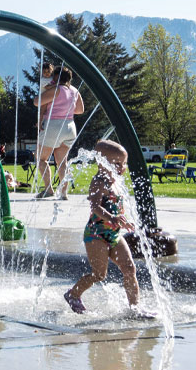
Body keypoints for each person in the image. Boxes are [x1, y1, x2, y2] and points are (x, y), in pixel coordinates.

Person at [64, 140, 153, 318]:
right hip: (96, 235)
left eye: (124, 163)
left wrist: (124, 221)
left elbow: (116, 208)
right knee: (99, 274)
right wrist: (113, 218)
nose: (122, 167)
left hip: (114, 234)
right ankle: (73, 294)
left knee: (129, 269)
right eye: (117, 163)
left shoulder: (116, 183)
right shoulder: (98, 182)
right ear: (101, 162)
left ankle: (135, 308)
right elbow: (95, 207)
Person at [34, 67, 85, 200]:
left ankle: (48, 189)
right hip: (69, 127)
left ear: (56, 77)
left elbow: (36, 102)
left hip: (53, 125)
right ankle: (63, 193)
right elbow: (80, 110)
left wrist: (47, 91)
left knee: (41, 159)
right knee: (62, 162)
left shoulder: (56, 90)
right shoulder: (75, 91)